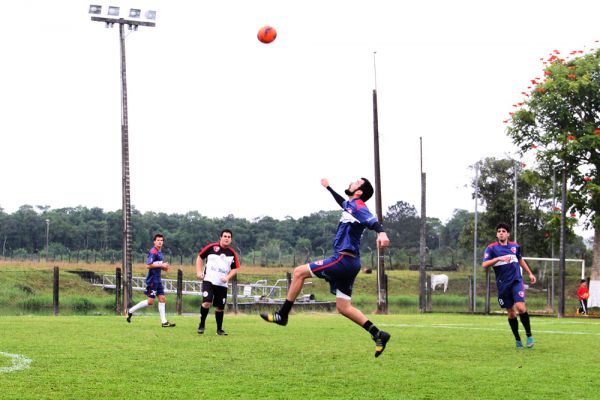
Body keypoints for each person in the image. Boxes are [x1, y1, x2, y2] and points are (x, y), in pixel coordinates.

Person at [260, 178, 392, 358]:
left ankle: (282, 315)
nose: (352, 182)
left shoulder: (359, 206)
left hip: (343, 260)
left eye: (356, 182)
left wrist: (382, 233)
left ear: (359, 192)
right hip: (352, 263)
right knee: (344, 307)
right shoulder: (350, 206)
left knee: (299, 272)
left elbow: (372, 220)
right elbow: (342, 201)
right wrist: (329, 188)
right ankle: (378, 334)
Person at [482, 223, 536, 349]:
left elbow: (520, 259)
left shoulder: (515, 246)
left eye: (504, 231)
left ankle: (529, 336)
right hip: (503, 285)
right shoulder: (491, 248)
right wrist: (498, 259)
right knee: (511, 313)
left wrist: (530, 273)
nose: (501, 233)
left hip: (516, 281)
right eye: (499, 231)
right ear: (497, 234)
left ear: (508, 234)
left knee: (521, 307)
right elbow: (484, 264)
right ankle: (517, 339)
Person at [196, 229, 240, 336]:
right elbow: (200, 257)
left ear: (231, 239)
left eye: (229, 237)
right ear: (220, 237)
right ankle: (202, 324)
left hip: (222, 284)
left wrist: (227, 277)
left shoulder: (232, 253)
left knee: (220, 307)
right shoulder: (211, 247)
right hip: (209, 280)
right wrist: (199, 271)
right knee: (207, 302)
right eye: (225, 236)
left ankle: (219, 330)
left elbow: (235, 269)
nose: (227, 238)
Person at [126, 233, 176, 327]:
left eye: (161, 240)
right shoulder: (153, 251)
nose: (160, 242)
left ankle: (164, 322)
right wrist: (162, 265)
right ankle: (130, 311)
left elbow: (157, 265)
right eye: (158, 240)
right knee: (150, 302)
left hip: (158, 280)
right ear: (154, 242)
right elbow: (148, 265)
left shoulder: (160, 252)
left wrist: (164, 267)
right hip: (152, 280)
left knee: (162, 298)